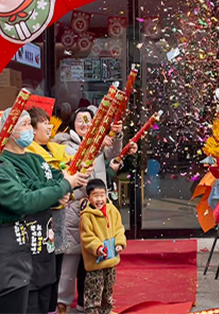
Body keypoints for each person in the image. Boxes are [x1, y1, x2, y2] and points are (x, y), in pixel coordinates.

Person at [0, 102, 87, 314]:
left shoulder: (0, 164)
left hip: (17, 251)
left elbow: (28, 193)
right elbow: (22, 200)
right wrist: (64, 185)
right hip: (3, 255)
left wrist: (59, 190)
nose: (1, 133)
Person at [0, 108, 89, 314]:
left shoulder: (36, 160)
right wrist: (62, 187)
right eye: (25, 125)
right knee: (29, 301)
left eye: (30, 124)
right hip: (24, 247)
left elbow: (56, 179)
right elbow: (28, 197)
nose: (30, 129)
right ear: (8, 130)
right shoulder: (4, 163)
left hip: (46, 240)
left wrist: (73, 180)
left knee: (47, 297)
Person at [53, 105, 136, 314]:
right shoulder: (64, 145)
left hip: (97, 208)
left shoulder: (100, 144)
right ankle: (62, 302)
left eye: (88, 120)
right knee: (70, 260)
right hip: (73, 208)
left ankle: (87, 303)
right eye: (80, 120)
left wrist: (115, 133)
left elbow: (114, 152)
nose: (84, 124)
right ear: (73, 123)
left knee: (93, 259)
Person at [25, 107, 73, 314]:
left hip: (59, 218)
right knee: (42, 272)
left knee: (56, 268)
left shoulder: (57, 149)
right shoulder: (28, 153)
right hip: (41, 220)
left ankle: (53, 308)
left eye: (49, 122)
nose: (49, 126)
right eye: (44, 123)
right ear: (32, 130)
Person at [79, 179, 127, 314]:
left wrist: (119, 243)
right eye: (95, 196)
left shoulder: (112, 210)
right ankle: (92, 311)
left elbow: (119, 229)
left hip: (111, 260)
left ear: (106, 195)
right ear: (88, 197)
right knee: (94, 288)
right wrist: (98, 248)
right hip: (96, 261)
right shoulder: (86, 216)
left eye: (102, 195)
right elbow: (87, 237)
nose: (99, 199)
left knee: (108, 286)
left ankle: (107, 310)